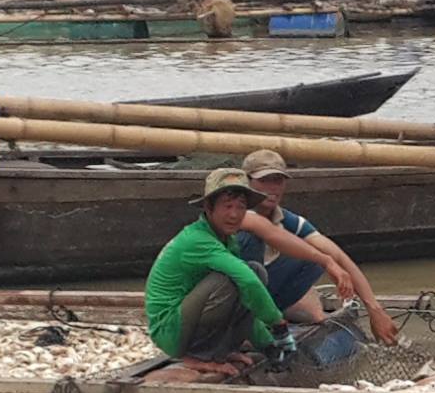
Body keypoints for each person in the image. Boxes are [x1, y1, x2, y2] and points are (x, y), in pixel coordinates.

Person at [236, 149, 398, 343]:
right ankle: (244, 327)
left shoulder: (288, 220)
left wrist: (374, 309)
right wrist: (326, 261)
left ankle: (266, 319)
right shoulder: (235, 214)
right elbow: (270, 233)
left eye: (278, 181)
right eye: (264, 181)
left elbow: (337, 254)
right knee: (255, 247)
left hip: (259, 295)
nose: (272, 188)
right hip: (227, 300)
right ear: (246, 182)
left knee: (317, 254)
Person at [143, 169, 292, 373]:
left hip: (188, 319)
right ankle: (198, 355)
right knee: (233, 280)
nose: (234, 214)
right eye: (227, 206)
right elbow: (246, 281)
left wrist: (267, 345)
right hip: (171, 330)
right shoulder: (197, 239)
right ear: (208, 207)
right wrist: (278, 324)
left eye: (240, 207)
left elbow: (247, 295)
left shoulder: (226, 239)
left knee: (256, 270)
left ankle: (222, 349)